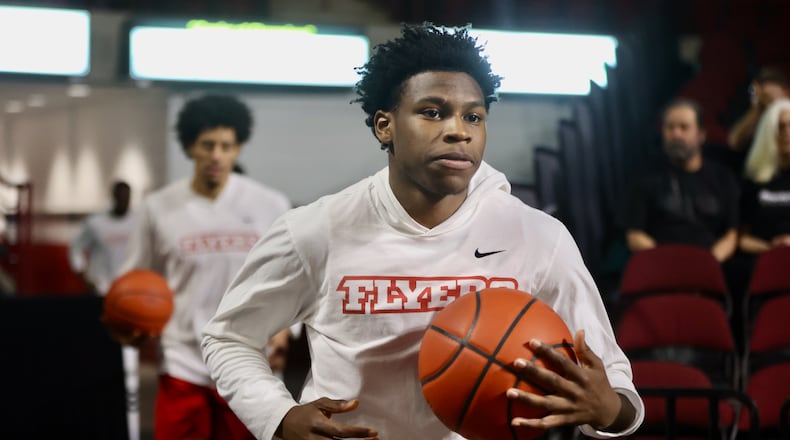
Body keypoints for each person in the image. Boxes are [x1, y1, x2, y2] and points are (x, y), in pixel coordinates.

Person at [202, 23, 644, 440]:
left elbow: (614, 384)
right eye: (433, 112)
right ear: (385, 126)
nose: (458, 131)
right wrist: (279, 416)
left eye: (474, 117)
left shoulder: (537, 236)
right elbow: (228, 338)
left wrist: (609, 410)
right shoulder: (316, 230)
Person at [115, 94, 292, 440]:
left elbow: (290, 279)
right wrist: (130, 320)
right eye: (207, 145)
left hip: (250, 361)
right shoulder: (158, 208)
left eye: (227, 146)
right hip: (182, 362)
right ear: (189, 147)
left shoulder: (270, 204)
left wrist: (285, 331)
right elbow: (137, 276)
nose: (217, 155)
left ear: (238, 148)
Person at [68, 179, 141, 440]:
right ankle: (101, 394)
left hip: (131, 294)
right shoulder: (96, 223)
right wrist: (83, 275)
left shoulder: (139, 221)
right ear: (113, 196)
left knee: (129, 346)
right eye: (119, 195)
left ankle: (129, 387)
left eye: (127, 196)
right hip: (102, 292)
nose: (124, 200)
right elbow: (76, 248)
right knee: (102, 345)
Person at [626, 98, 740, 262]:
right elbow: (634, 235)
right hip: (660, 264)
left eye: (684, 127)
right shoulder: (646, 176)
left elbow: (731, 235)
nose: (676, 134)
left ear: (701, 134)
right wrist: (671, 262)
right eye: (670, 127)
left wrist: (708, 262)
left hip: (710, 266)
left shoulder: (723, 178)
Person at [739, 98, 790, 253]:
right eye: (780, 126)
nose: (787, 132)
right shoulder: (754, 180)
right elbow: (741, 238)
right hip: (762, 258)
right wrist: (772, 250)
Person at [728, 67, 789, 169]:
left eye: (771, 98)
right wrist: (758, 106)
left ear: (786, 92)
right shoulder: (759, 118)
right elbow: (736, 142)